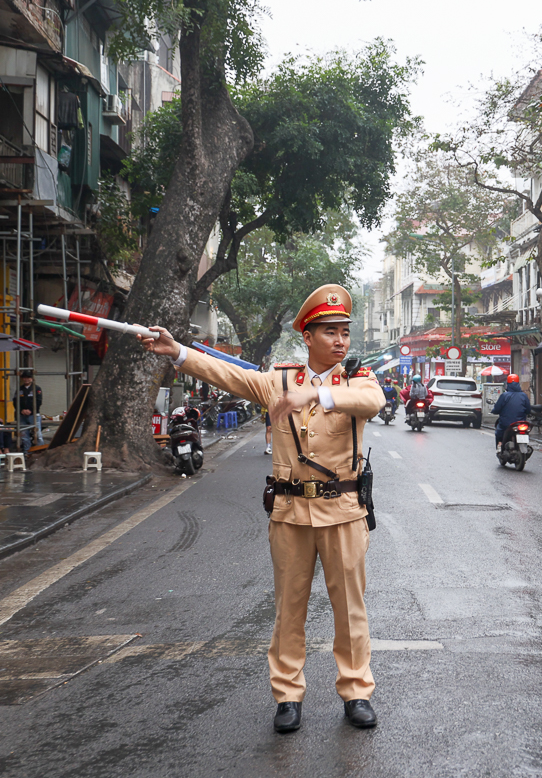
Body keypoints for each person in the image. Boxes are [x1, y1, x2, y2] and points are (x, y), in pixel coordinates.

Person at [139, 284, 384, 734]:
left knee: (351, 609)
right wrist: (177, 353)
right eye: (330, 332)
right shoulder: (279, 380)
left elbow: (375, 402)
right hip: (290, 513)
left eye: (345, 332)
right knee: (288, 609)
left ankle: (356, 691)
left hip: (344, 513)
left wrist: (318, 395)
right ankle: (288, 695)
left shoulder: (356, 380)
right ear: (307, 337)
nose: (340, 341)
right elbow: (226, 375)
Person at [491, 374, 531, 448]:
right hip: (521, 423)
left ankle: (500, 445)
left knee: (499, 432)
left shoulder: (504, 396)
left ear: (508, 384)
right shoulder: (524, 396)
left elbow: (497, 408)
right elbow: (528, 410)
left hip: (506, 423)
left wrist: (494, 411)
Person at [13, 371, 43, 451]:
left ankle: (40, 451)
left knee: (38, 434)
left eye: (28, 378)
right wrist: (21, 410)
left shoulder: (37, 389)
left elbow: (39, 401)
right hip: (22, 415)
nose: (26, 379)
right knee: (24, 435)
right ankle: (27, 452)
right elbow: (15, 401)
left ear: (32, 378)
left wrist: (31, 411)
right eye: (24, 378)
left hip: (34, 415)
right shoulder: (19, 389)